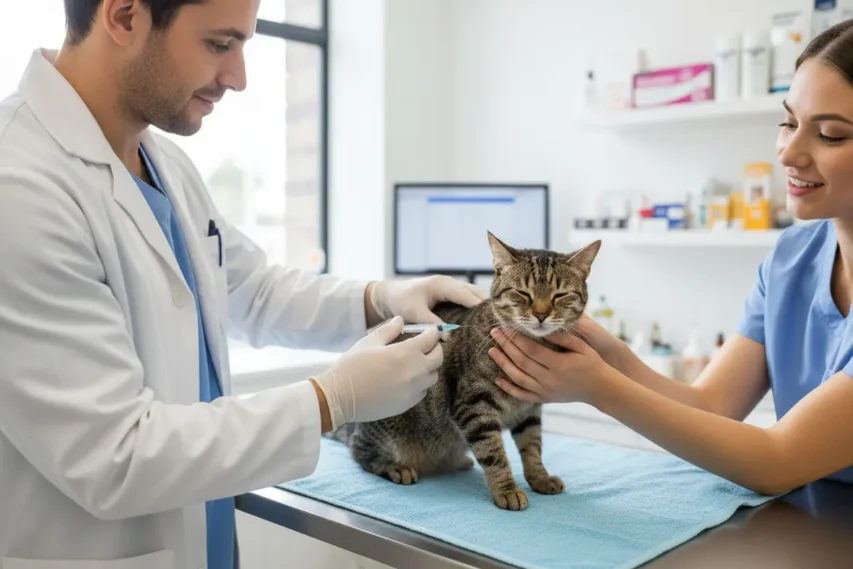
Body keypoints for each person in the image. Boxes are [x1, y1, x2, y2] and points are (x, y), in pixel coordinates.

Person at [0, 0, 487, 567]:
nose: (239, 78)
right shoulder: (21, 187)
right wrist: (330, 401)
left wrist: (380, 299)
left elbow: (250, 290)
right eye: (219, 44)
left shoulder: (165, 165)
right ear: (125, 16)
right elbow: (116, 456)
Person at [490, 19, 853, 497]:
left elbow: (777, 461)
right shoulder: (793, 258)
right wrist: (611, 356)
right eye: (787, 122)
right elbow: (712, 404)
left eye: (829, 134)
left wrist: (599, 388)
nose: (789, 152)